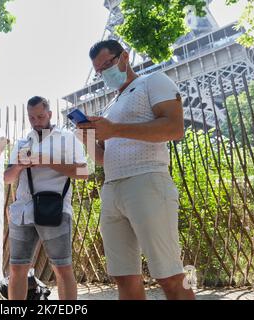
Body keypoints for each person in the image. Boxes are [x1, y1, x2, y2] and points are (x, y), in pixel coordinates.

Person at [77, 40, 195, 300]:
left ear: (125, 57)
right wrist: (86, 138)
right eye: (99, 69)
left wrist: (115, 129)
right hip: (112, 190)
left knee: (170, 274)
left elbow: (175, 129)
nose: (105, 71)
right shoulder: (111, 105)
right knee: (124, 277)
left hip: (147, 180)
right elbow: (102, 159)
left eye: (108, 63)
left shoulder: (153, 81)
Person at [4, 96, 88, 300]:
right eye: (31, 118)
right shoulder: (23, 141)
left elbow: (84, 172)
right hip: (22, 211)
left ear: (50, 114)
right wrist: (21, 165)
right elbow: (7, 178)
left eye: (40, 116)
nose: (36, 121)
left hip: (55, 209)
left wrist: (48, 161)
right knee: (16, 269)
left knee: (62, 268)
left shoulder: (68, 138)